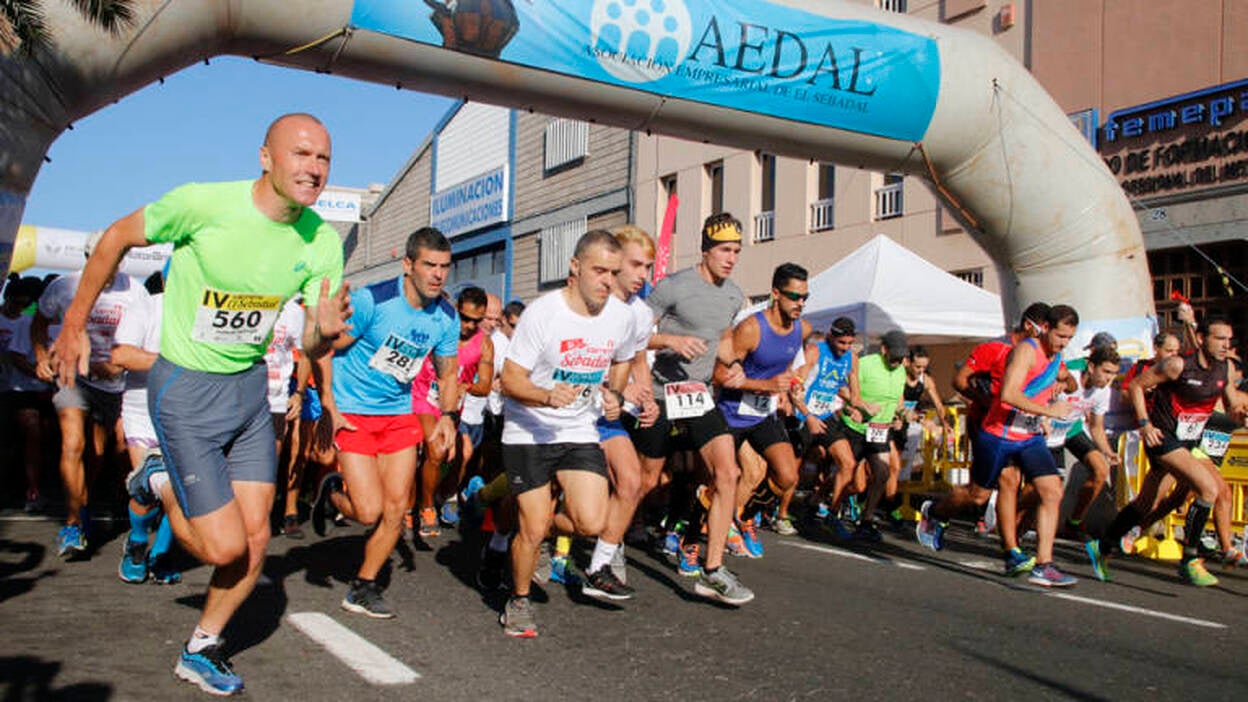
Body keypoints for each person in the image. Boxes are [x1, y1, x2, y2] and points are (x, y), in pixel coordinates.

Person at [53, 113, 349, 695]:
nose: (313, 169)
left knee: (256, 540)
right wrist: (73, 323)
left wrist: (325, 334)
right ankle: (156, 478)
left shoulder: (322, 242)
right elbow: (115, 237)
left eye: (323, 159)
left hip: (248, 392)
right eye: (301, 154)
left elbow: (315, 340)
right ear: (266, 157)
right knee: (222, 546)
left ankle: (201, 646)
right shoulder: (202, 204)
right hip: (186, 388)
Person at [312, 227, 460, 618]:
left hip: (397, 414)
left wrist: (447, 416)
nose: (438, 275)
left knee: (397, 509)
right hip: (353, 412)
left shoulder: (446, 317)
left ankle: (363, 585)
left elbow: (448, 374)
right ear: (408, 264)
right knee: (368, 512)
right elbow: (324, 348)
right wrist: (328, 404)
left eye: (445, 267)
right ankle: (332, 493)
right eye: (429, 265)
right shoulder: (372, 302)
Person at [497, 230, 635, 638]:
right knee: (533, 527)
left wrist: (615, 395)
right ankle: (518, 600)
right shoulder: (544, 313)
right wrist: (545, 396)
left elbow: (623, 359)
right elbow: (510, 380)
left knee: (591, 522)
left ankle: (524, 523)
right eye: (599, 271)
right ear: (575, 267)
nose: (607, 281)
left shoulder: (621, 316)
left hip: (578, 428)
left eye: (614, 272)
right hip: (529, 431)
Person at [630, 213, 752, 605]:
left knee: (728, 473)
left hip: (698, 396)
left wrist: (734, 365)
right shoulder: (674, 286)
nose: (731, 258)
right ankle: (613, 537)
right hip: (662, 394)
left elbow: (724, 341)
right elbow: (633, 334)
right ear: (705, 250)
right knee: (646, 481)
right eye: (724, 250)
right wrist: (671, 341)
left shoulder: (734, 295)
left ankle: (712, 571)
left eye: (736, 251)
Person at [1090, 315, 1247, 586]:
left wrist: (1239, 413)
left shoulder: (1226, 368)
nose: (1225, 345)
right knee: (1208, 489)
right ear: (1201, 339)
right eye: (1219, 338)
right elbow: (1136, 385)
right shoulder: (1177, 365)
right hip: (1162, 437)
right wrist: (1145, 423)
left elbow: (1231, 402)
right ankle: (1190, 560)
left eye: (1228, 340)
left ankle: (1103, 545)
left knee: (1146, 502)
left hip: (1187, 441)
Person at [35, 231, 149, 558]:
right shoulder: (64, 287)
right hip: (75, 377)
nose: (107, 267)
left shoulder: (135, 293)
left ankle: (85, 505)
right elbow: (39, 321)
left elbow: (144, 340)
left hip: (117, 384)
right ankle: (73, 524)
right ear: (88, 258)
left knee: (101, 453)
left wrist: (116, 364)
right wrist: (41, 355)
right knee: (73, 442)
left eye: (114, 261)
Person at [584, 224, 660, 597]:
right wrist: (613, 386)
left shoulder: (641, 313)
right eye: (635, 265)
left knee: (631, 481)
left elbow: (639, 361)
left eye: (647, 267)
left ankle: (600, 564)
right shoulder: (588, 304)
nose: (642, 275)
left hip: (608, 413)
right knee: (562, 501)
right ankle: (520, 535)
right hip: (569, 411)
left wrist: (648, 399)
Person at [714, 263, 808, 554]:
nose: (800, 303)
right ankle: (692, 532)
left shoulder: (801, 329)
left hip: (762, 414)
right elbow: (719, 374)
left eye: (805, 297)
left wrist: (789, 388)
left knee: (787, 476)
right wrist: (764, 385)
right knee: (725, 479)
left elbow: (786, 366)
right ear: (776, 294)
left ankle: (745, 516)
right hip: (732, 413)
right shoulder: (751, 329)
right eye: (795, 296)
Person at [111, 278, 181, 584]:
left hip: (191, 414)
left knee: (182, 490)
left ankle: (161, 554)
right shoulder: (148, 307)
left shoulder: (210, 313)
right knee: (148, 487)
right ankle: (137, 543)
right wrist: (179, 363)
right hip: (143, 411)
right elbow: (121, 356)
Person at [409, 285, 493, 538]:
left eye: (476, 321)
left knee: (460, 455)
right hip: (423, 398)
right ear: (456, 309)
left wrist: (466, 386)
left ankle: (436, 495)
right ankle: (426, 509)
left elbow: (485, 386)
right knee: (434, 449)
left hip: (451, 408)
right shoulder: (438, 326)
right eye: (465, 318)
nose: (469, 325)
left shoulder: (484, 344)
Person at [830, 329, 909, 541]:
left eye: (901, 358)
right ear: (884, 350)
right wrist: (855, 406)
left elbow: (898, 399)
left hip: (880, 430)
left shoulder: (901, 370)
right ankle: (827, 509)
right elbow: (841, 387)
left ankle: (866, 520)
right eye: (894, 357)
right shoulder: (865, 364)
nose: (897, 362)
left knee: (882, 474)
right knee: (849, 475)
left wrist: (901, 415)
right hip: (855, 428)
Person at [789, 317, 862, 529]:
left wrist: (857, 408)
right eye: (841, 343)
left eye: (849, 343)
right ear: (830, 337)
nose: (845, 348)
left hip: (826, 415)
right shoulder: (815, 351)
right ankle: (778, 511)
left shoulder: (851, 358)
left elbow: (853, 393)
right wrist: (806, 413)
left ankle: (833, 514)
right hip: (804, 413)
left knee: (848, 463)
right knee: (791, 473)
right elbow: (797, 383)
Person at [0, 276, 52, 512]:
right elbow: (16, 357)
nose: (19, 308)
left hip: (44, 391)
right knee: (24, 435)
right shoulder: (25, 325)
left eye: (24, 304)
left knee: (40, 439)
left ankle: (32, 486)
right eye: (16, 303)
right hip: (15, 390)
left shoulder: (29, 321)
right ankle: (22, 487)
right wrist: (38, 372)